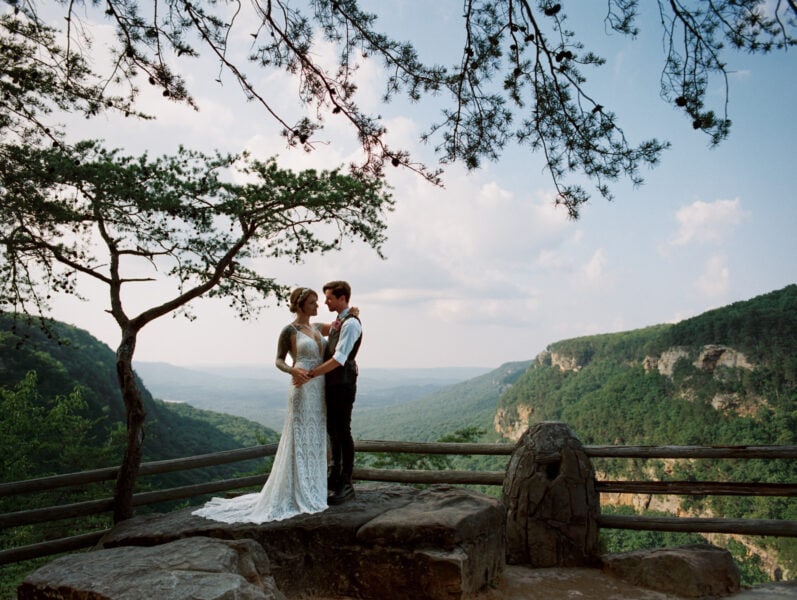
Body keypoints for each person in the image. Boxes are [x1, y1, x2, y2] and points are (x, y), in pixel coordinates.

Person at [192, 287, 328, 523]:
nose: (317, 306)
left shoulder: (317, 327)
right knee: (299, 435)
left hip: (319, 388)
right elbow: (278, 359)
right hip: (302, 386)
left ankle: (314, 487)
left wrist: (352, 313)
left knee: (316, 435)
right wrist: (292, 370)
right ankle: (297, 491)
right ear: (300, 305)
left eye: (317, 302)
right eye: (313, 302)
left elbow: (339, 326)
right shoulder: (289, 330)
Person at [306, 280, 362, 505]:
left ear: (342, 298)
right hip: (333, 383)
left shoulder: (351, 324)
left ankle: (346, 483)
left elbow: (339, 358)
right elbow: (321, 328)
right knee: (333, 430)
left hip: (343, 383)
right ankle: (334, 476)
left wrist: (312, 373)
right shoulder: (340, 321)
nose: (325, 302)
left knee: (343, 431)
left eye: (329, 298)